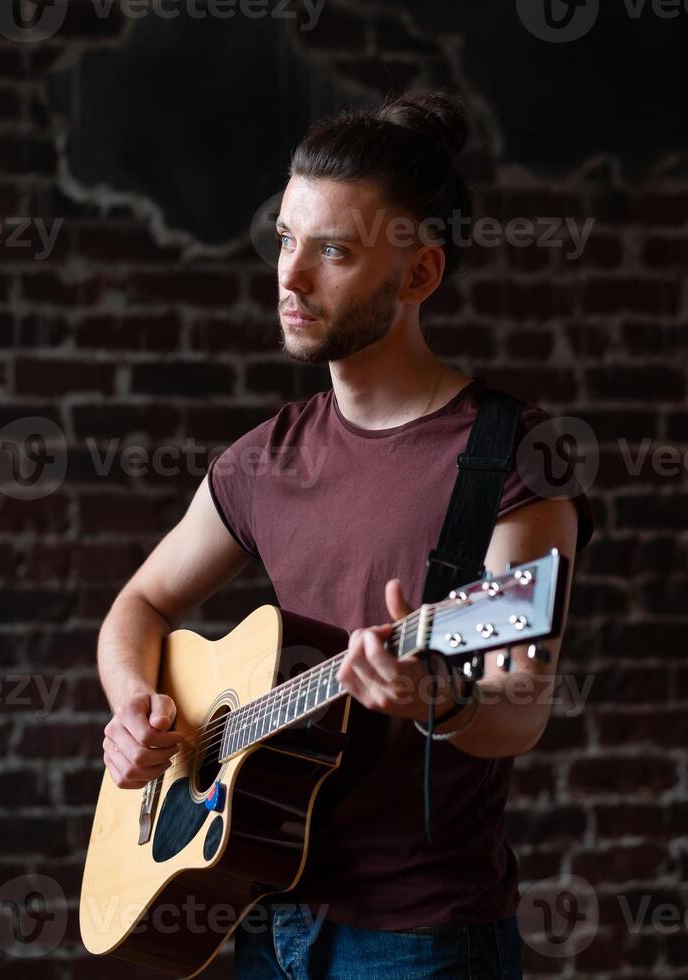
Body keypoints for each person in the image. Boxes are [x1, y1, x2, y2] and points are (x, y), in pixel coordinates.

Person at [97, 90, 595, 978]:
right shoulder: (268, 458)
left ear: (419, 276)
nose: (288, 279)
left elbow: (523, 703)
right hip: (256, 903)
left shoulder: (514, 458)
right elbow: (139, 603)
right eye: (286, 239)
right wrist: (135, 708)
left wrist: (437, 701)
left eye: (333, 251)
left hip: (421, 935)